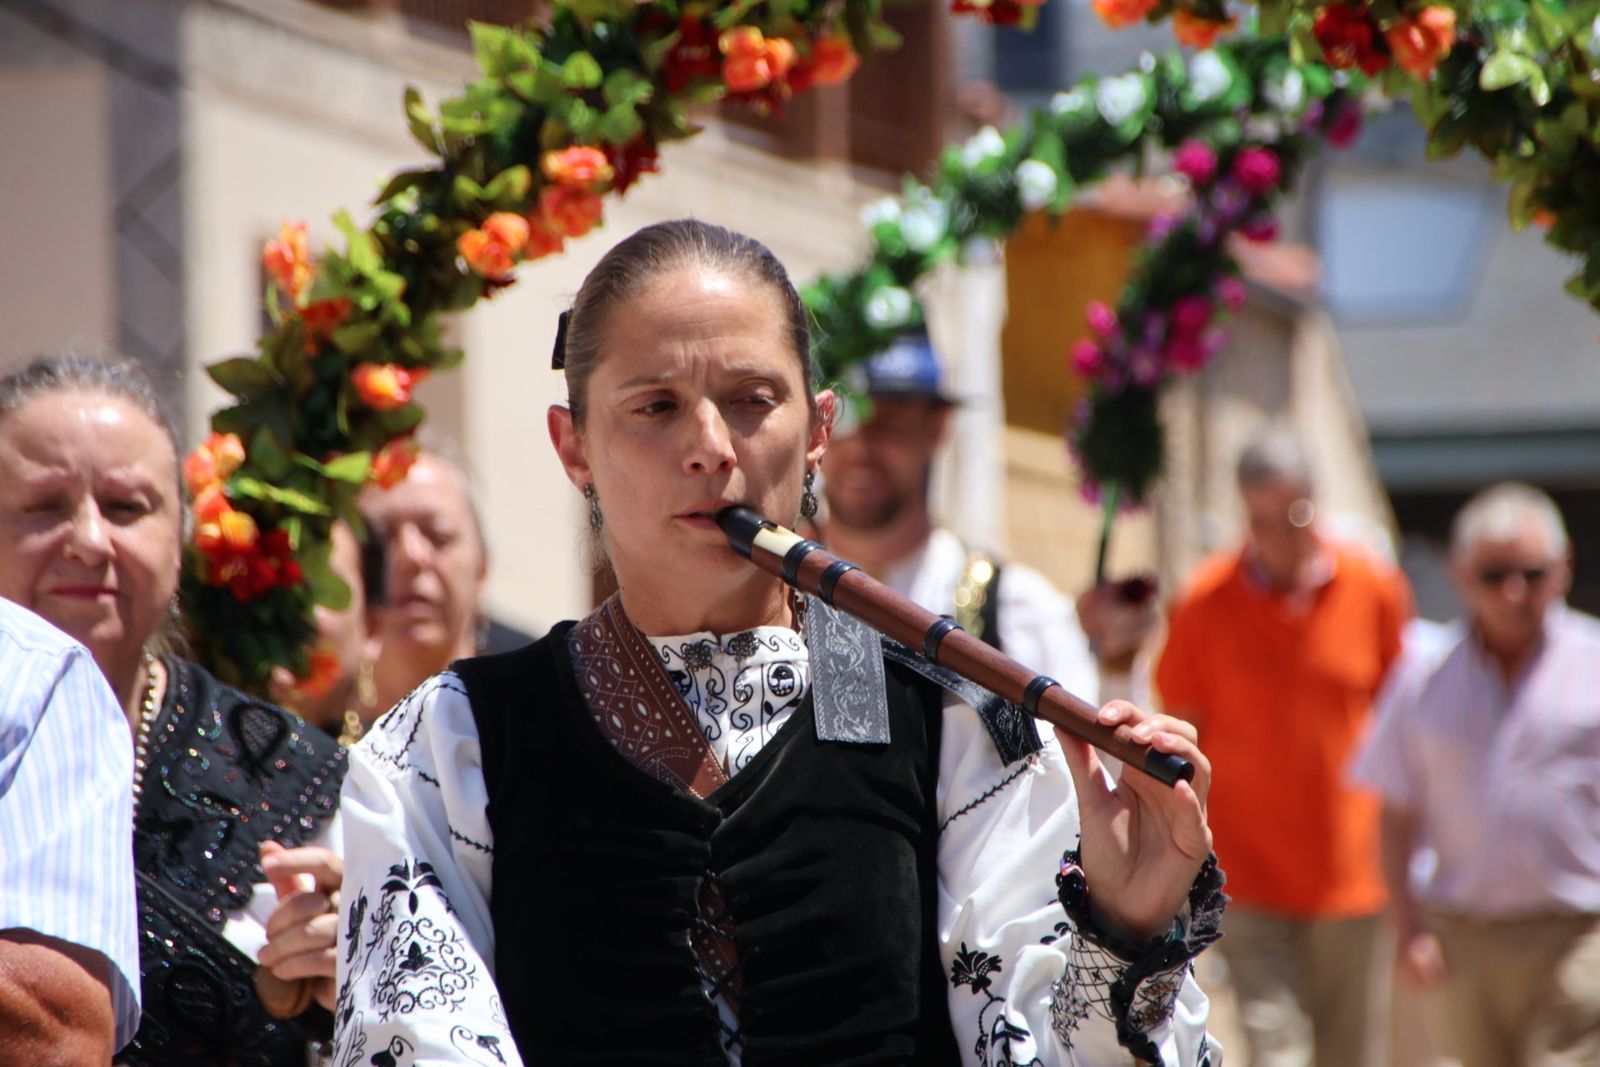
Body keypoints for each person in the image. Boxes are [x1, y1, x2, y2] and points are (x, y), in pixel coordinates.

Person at [334, 219, 1226, 1067]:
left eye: (752, 400)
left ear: (820, 431)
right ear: (573, 446)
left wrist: (1125, 926)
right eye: (655, 406)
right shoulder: (446, 750)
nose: (711, 448)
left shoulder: (953, 718)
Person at [0, 354, 347, 1065]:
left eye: (127, 507)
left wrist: (367, 966)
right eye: (43, 507)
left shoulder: (299, 778)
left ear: (182, 534)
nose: (90, 540)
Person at [1154, 424, 1412, 1067]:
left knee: (1351, 1055)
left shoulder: (1372, 588)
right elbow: (1180, 736)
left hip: (1354, 874)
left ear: (1314, 502)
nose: (1276, 535)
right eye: (1259, 519)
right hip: (1251, 878)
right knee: (1278, 1053)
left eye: (1291, 515)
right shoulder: (1205, 603)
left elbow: (1404, 724)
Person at [1353, 482, 1600, 1067]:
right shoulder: (1425, 676)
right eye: (1495, 575)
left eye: (1532, 573)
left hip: (1578, 934)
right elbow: (1395, 811)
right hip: (1462, 938)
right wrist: (1408, 927)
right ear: (1463, 575)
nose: (1515, 592)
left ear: (1562, 570)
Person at [820, 331, 1155, 706]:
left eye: (890, 422)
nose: (860, 446)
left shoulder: (1022, 615)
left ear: (937, 427)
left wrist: (1118, 671)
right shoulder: (767, 595)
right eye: (843, 418)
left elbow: (1093, 762)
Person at [0, 597, 142, 1062]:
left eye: (125, 516)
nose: (91, 544)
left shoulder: (34, 671)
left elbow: (60, 1041)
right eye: (40, 516)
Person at [358, 450, 493, 713]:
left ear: (481, 567)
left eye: (438, 535)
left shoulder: (532, 717)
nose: (410, 555)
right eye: (381, 537)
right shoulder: (311, 734)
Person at [274, 519, 383, 745]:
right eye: (277, 575)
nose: (295, 606)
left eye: (317, 585)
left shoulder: (393, 772)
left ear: (371, 627)